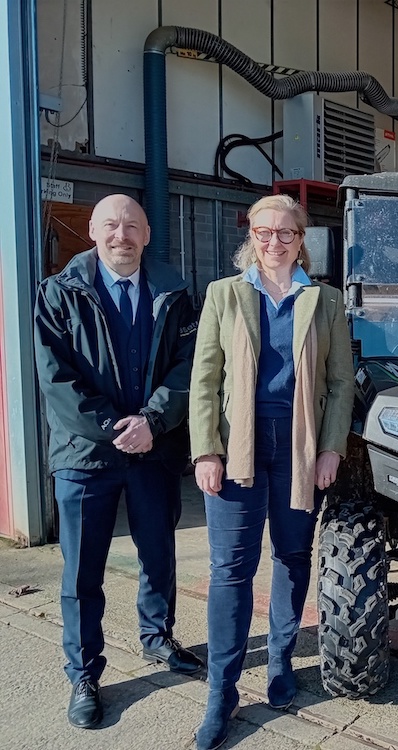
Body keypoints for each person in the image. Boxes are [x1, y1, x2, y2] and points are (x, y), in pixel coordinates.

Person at [188, 194, 354, 750]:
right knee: (230, 568)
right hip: (239, 446)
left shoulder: (325, 300)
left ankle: (281, 660)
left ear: (301, 238)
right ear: (252, 236)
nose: (275, 242)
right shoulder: (225, 294)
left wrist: (331, 449)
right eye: (264, 232)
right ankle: (222, 691)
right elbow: (205, 380)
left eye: (286, 233)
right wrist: (205, 450)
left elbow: (338, 383)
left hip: (300, 447)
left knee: (291, 554)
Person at [33, 194, 202, 730]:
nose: (121, 235)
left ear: (147, 234)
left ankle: (157, 637)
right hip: (85, 456)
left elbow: (189, 366)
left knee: (158, 553)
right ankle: (84, 673)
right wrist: (112, 429)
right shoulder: (59, 294)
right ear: (93, 231)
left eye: (132, 225)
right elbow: (56, 378)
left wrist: (153, 422)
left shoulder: (176, 294)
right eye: (110, 225)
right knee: (82, 571)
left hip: (155, 450)